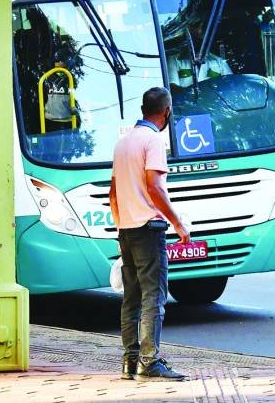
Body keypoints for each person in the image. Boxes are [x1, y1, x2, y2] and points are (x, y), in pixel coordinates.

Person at [108, 87, 191, 381]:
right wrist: (178, 223)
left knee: (131, 297)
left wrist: (121, 225)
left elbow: (113, 193)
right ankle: (149, 361)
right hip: (149, 227)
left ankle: (129, 363)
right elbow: (154, 187)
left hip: (127, 228)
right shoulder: (153, 140)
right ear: (166, 111)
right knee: (154, 296)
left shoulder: (123, 142)